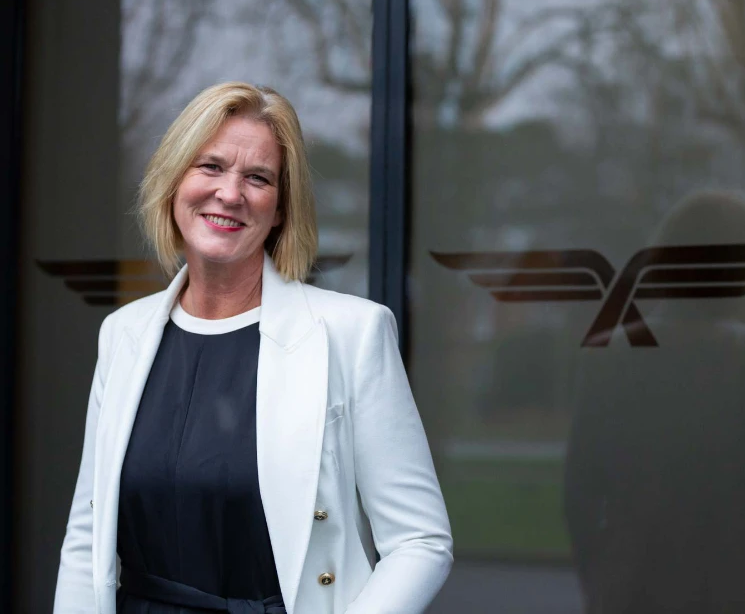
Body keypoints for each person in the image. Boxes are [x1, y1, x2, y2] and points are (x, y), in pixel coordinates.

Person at [53, 82, 453, 614]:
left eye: (258, 178)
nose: (230, 193)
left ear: (282, 209)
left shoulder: (352, 333)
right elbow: (88, 534)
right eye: (210, 167)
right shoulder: (124, 333)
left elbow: (420, 542)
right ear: (175, 182)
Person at [563, 190, 745, 614]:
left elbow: (580, 494)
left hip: (630, 590)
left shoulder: (608, 354)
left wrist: (602, 580)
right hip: (734, 586)